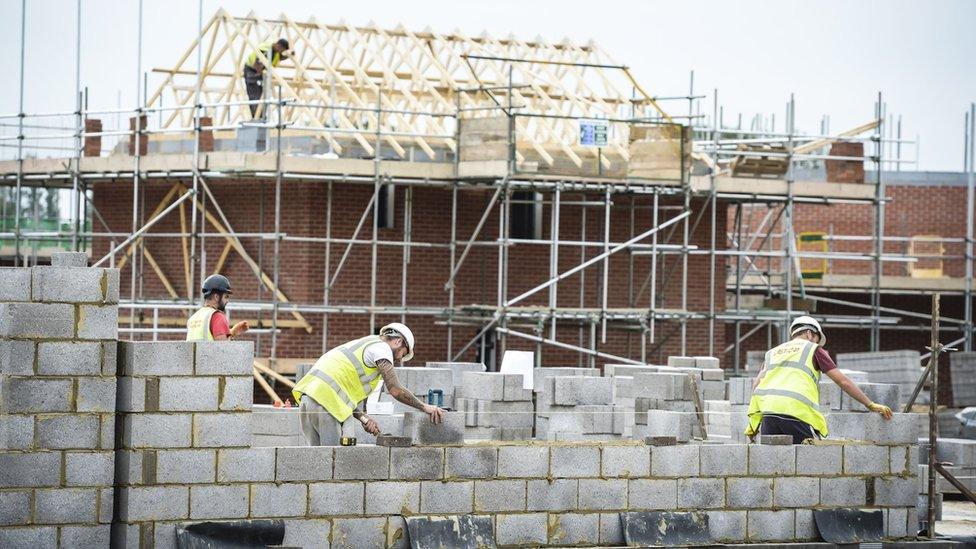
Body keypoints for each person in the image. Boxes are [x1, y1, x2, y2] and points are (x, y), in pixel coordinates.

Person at [746, 315, 893, 444]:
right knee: (809, 464)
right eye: (816, 339)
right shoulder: (812, 349)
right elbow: (843, 381)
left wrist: (753, 426)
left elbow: (756, 385)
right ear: (810, 334)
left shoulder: (772, 353)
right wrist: (870, 404)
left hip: (769, 414)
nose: (816, 343)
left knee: (775, 465)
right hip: (795, 413)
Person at [293, 323, 446, 446]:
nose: (400, 359)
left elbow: (340, 395)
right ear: (398, 341)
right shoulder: (382, 348)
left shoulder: (366, 344)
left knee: (314, 463)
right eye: (403, 353)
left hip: (308, 401)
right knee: (332, 463)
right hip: (326, 406)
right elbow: (395, 390)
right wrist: (424, 407)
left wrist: (364, 419)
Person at [186, 274, 249, 341]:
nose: (227, 301)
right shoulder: (218, 317)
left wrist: (232, 333)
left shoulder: (193, 317)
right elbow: (222, 349)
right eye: (226, 297)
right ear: (216, 297)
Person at [243, 38, 290, 119]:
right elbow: (255, 64)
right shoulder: (265, 49)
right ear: (278, 45)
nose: (281, 52)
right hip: (251, 71)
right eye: (282, 49)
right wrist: (262, 74)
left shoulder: (276, 54)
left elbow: (280, 58)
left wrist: (289, 54)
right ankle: (256, 118)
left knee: (263, 95)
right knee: (254, 95)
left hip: (262, 73)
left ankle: (261, 117)